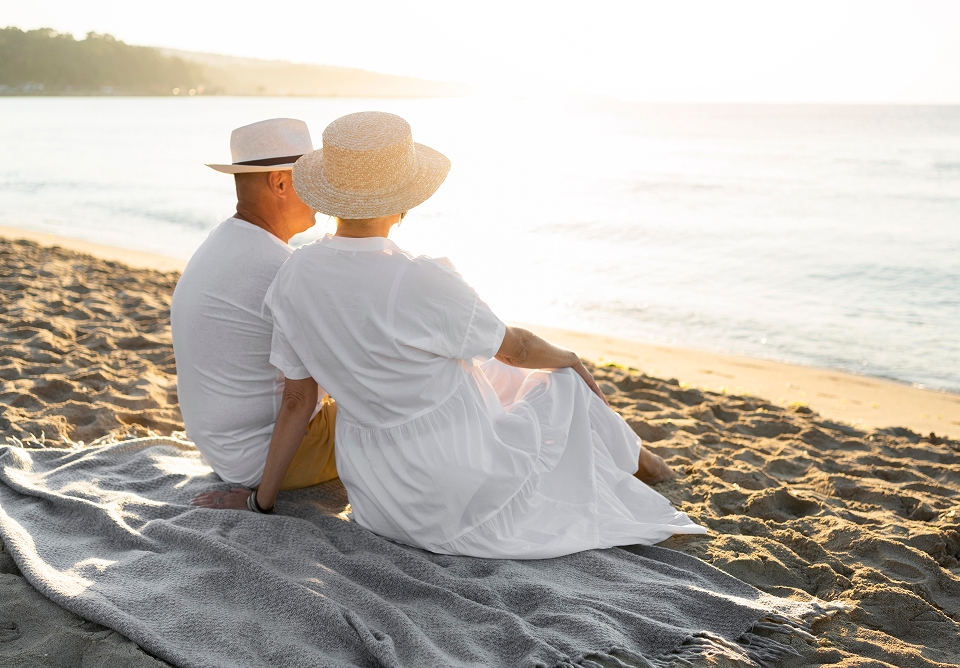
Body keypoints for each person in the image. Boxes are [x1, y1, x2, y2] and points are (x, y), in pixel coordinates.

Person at [195, 112, 706, 559]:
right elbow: (518, 347)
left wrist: (260, 499)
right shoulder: (419, 277)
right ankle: (647, 463)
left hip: (378, 501)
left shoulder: (293, 276)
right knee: (560, 381)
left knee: (484, 366)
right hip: (455, 486)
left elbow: (296, 399)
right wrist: (570, 357)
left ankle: (640, 457)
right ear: (403, 203)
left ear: (329, 196)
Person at [174, 118, 338, 494]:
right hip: (270, 459)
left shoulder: (222, 242)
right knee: (402, 403)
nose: (321, 194)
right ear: (280, 183)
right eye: (311, 181)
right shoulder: (281, 267)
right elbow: (314, 390)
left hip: (225, 451)